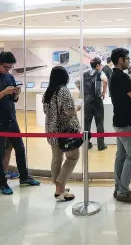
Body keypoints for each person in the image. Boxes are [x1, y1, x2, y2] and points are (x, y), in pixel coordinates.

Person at [0, 51, 40, 195]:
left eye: (10, 67)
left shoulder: (10, 77)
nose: (8, 70)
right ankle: (2, 183)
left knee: (20, 149)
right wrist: (3, 92)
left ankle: (24, 177)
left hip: (11, 119)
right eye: (6, 67)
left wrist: (16, 94)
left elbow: (13, 100)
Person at [43, 66, 80, 202]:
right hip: (65, 131)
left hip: (51, 130)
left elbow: (46, 111)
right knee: (73, 157)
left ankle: (58, 186)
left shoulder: (48, 92)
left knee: (56, 158)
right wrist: (78, 107)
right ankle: (60, 188)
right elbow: (69, 111)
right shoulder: (63, 91)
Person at [109, 48, 131, 203]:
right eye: (127, 58)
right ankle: (122, 191)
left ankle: (119, 187)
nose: (129, 61)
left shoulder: (113, 76)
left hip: (118, 121)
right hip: (127, 122)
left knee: (121, 156)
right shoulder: (122, 77)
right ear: (120, 60)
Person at [81, 57, 108, 151]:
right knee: (99, 123)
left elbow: (77, 82)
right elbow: (105, 81)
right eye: (100, 65)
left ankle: (86, 144)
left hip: (87, 101)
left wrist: (83, 92)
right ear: (97, 65)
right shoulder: (100, 72)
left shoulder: (85, 73)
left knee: (86, 123)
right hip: (97, 101)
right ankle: (101, 145)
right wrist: (103, 92)